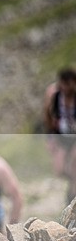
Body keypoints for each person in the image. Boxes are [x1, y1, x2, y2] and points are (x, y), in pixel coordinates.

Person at [43, 68, 76, 202]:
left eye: (68, 84)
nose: (65, 88)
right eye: (62, 84)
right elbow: (48, 115)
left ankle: (72, 197)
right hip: (61, 135)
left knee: (74, 164)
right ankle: (72, 186)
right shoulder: (54, 94)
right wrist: (50, 138)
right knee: (59, 169)